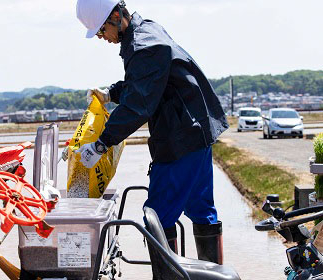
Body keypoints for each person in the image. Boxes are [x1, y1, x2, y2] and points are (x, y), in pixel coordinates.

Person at [76, 0, 229, 266]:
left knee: (157, 216)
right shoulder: (146, 32)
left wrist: (101, 144)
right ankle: (215, 274)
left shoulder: (143, 47)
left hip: (179, 138)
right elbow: (146, 84)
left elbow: (138, 105)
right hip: (195, 133)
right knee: (202, 210)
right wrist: (111, 93)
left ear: (115, 16)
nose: (103, 38)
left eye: (102, 31)